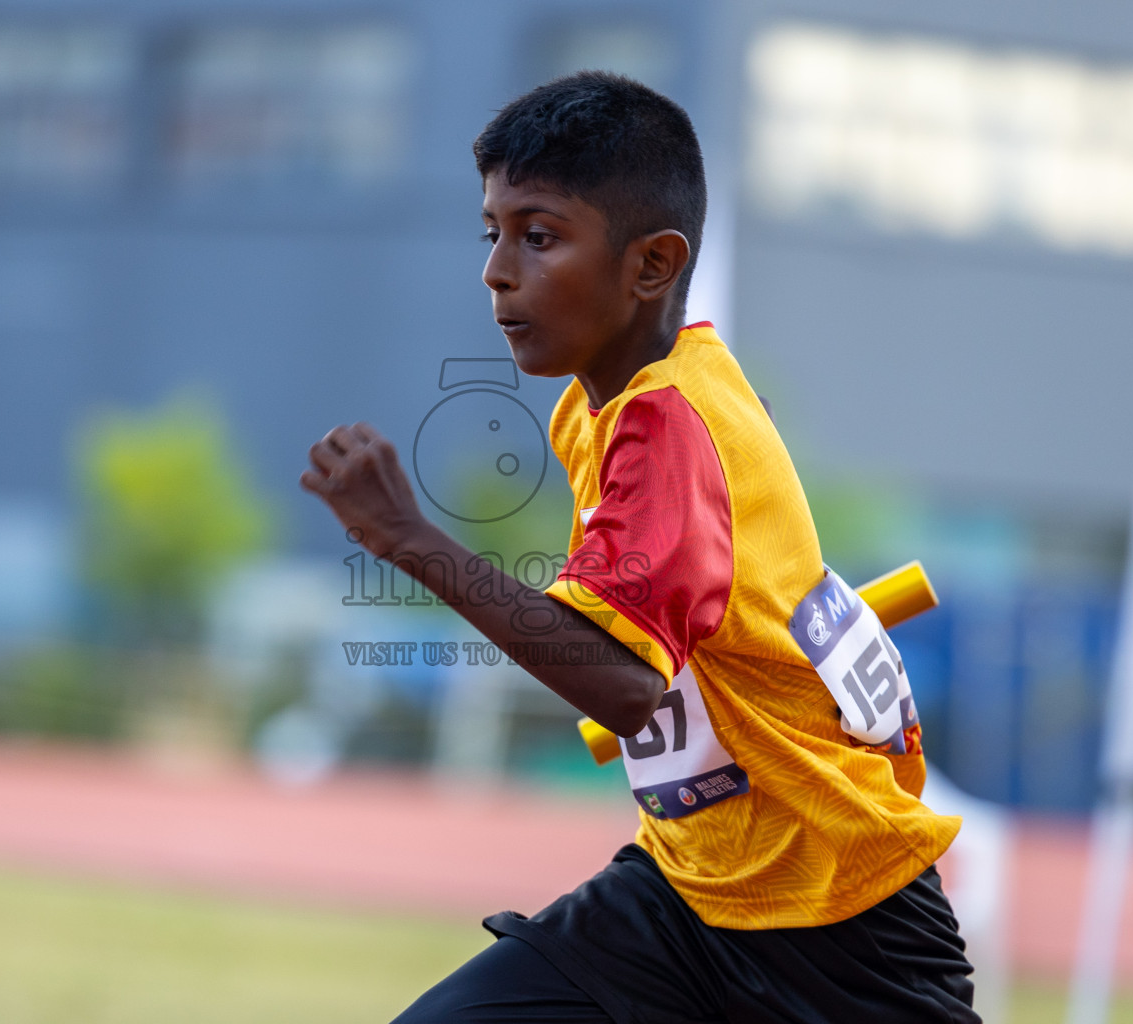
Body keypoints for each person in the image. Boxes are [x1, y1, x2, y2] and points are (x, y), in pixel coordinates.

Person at [301, 71, 978, 1023]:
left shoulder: (670, 422)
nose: (497, 269)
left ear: (652, 264)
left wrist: (407, 538)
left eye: (538, 236)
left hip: (839, 923)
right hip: (688, 892)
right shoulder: (617, 403)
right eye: (491, 232)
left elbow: (623, 682)